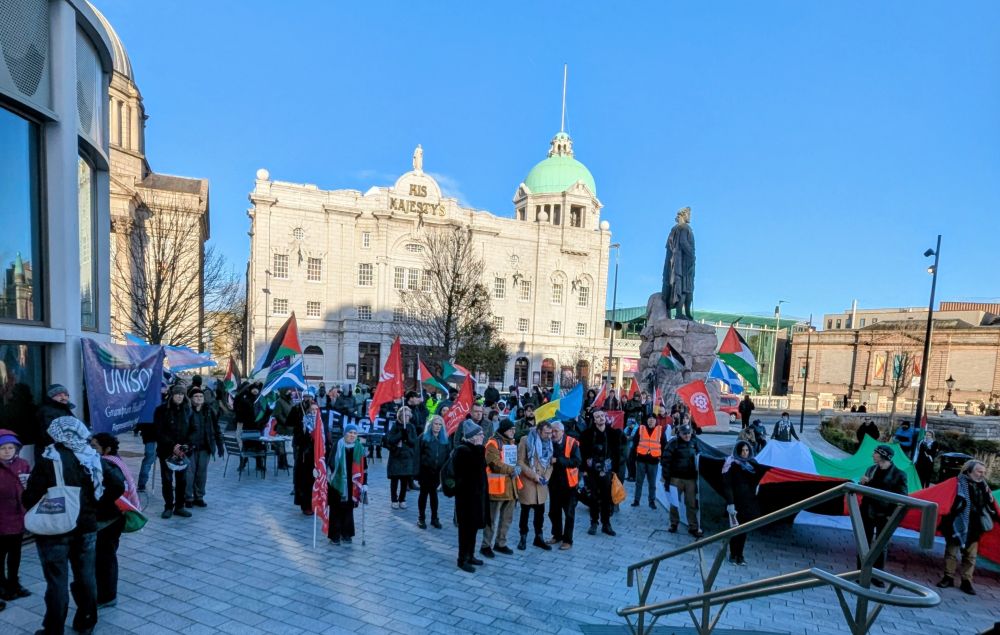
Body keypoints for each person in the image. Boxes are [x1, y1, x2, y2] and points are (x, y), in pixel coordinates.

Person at [23, 417, 123, 635]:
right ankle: (86, 622)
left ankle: (53, 628)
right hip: (86, 526)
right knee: (86, 576)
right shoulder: (92, 456)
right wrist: (96, 504)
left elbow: (31, 496)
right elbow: (117, 484)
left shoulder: (49, 458)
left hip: (54, 528)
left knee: (57, 580)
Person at [936, 460, 1000, 595]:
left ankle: (966, 581)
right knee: (951, 552)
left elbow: (990, 505)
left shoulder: (984, 486)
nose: (982, 474)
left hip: (975, 525)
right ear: (969, 471)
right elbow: (942, 496)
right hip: (955, 523)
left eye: (983, 472)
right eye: (979, 471)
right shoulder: (956, 483)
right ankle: (948, 577)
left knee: (971, 556)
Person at [89, 433, 131, 608]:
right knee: (107, 557)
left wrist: (99, 502)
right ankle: (106, 594)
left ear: (106, 449)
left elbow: (117, 488)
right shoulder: (114, 460)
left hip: (109, 518)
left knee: (105, 558)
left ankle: (107, 596)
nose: (90, 449)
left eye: (94, 447)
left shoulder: (107, 464)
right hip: (114, 517)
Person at [858, 444, 908, 586]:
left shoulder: (899, 474)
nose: (872, 455)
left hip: (885, 514)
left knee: (881, 545)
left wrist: (891, 515)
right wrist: (862, 483)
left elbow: (902, 496)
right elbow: (862, 488)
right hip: (867, 511)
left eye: (875, 453)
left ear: (883, 455)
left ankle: (877, 575)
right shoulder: (871, 469)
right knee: (863, 543)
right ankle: (860, 572)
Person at [0, 429, 31, 604]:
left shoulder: (23, 464)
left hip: (18, 517)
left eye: (10, 447)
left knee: (15, 554)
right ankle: (2, 584)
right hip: (1, 518)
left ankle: (13, 582)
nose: (7, 451)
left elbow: (29, 485)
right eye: (3, 448)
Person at [480, 419, 519, 558]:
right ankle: (485, 545)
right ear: (503, 430)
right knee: (491, 519)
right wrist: (512, 469)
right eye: (510, 429)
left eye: (514, 429)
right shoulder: (492, 443)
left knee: (506, 519)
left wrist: (515, 468)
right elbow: (494, 464)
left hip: (510, 487)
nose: (513, 431)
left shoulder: (511, 442)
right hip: (496, 488)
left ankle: (500, 543)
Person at [154, 385, 194, 519]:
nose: (179, 396)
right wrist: (172, 445)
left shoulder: (188, 410)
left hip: (183, 451)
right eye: (177, 394)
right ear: (172, 395)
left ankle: (180, 506)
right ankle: (168, 507)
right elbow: (158, 431)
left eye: (182, 394)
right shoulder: (161, 410)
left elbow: (193, 430)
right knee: (167, 480)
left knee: (182, 480)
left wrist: (186, 445)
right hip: (166, 451)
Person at [580, 410, 621, 537]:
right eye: (597, 416)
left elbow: (618, 452)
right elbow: (582, 453)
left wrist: (615, 469)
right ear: (594, 419)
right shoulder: (587, 434)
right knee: (593, 497)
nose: (601, 418)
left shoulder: (613, 433)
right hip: (592, 471)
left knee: (606, 498)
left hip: (607, 471)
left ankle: (606, 524)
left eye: (602, 416)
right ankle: (594, 523)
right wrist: (585, 470)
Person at [453, 421, 487, 572]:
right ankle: (462, 559)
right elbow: (475, 469)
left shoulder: (475, 449)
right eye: (480, 434)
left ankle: (471, 555)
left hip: (476, 496)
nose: (483, 436)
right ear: (472, 437)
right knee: (465, 529)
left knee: (473, 527)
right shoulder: (463, 450)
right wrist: (480, 448)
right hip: (466, 497)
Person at [722, 441, 762, 565]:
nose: (745, 453)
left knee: (743, 531)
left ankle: (740, 555)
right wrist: (730, 503)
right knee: (735, 530)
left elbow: (758, 478)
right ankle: (733, 554)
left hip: (747, 503)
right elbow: (727, 485)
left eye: (747, 450)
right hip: (735, 503)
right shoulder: (731, 464)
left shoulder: (753, 464)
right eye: (742, 451)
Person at [326, 423, 366, 545]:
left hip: (352, 484)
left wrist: (364, 483)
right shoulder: (338, 445)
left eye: (355, 433)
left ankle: (346, 533)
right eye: (350, 432)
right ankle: (335, 535)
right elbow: (331, 463)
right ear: (345, 433)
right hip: (337, 483)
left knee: (348, 508)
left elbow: (364, 468)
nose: (352, 435)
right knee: (336, 508)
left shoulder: (359, 448)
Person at [516, 421, 554, 551]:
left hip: (542, 483)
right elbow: (520, 462)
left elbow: (550, 463)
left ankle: (539, 537)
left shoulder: (549, 442)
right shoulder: (526, 440)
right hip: (529, 482)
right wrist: (533, 475)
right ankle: (523, 537)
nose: (549, 435)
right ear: (539, 431)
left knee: (540, 512)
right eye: (546, 433)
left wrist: (547, 477)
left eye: (550, 433)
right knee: (525, 511)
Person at [661, 424, 702, 536]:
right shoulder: (673, 443)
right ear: (680, 433)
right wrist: (666, 477)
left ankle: (693, 526)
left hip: (690, 479)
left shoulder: (694, 443)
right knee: (674, 503)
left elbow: (700, 456)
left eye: (689, 433)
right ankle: (674, 523)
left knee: (691, 504)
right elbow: (665, 460)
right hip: (676, 478)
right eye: (685, 433)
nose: (687, 435)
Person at [185, 388, 223, 508]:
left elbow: (216, 428)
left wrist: (219, 444)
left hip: (205, 447)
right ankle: (188, 497)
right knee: (189, 474)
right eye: (196, 396)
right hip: (190, 448)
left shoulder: (209, 411)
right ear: (191, 398)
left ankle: (199, 496)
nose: (199, 398)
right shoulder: (187, 411)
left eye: (200, 396)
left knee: (201, 473)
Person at [547, 422, 581, 550]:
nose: (553, 434)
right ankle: (557, 535)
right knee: (553, 512)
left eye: (555, 431)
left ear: (562, 431)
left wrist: (559, 460)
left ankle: (568, 540)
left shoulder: (572, 443)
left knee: (569, 513)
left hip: (569, 484)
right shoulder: (549, 442)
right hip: (554, 483)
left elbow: (577, 461)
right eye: (552, 431)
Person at [416, 416, 449, 530]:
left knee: (434, 496)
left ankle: (435, 518)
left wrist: (444, 475)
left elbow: (447, 458)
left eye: (440, 424)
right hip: (425, 472)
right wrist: (417, 473)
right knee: (424, 494)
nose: (438, 426)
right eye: (436, 424)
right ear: (431, 425)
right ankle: (421, 518)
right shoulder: (423, 438)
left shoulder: (444, 439)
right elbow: (417, 456)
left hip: (437, 473)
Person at [291, 397, 321, 515]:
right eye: (312, 410)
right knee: (306, 482)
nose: (314, 412)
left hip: (318, 457)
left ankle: (317, 503)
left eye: (316, 410)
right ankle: (306, 505)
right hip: (305, 457)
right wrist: (306, 433)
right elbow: (298, 439)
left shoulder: (321, 423)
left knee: (317, 481)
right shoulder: (303, 422)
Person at [385, 406, 417, 509]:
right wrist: (400, 434)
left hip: (407, 457)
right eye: (404, 415)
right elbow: (390, 440)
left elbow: (414, 442)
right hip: (396, 456)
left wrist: (407, 437)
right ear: (400, 415)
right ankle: (394, 499)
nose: (406, 417)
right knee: (395, 480)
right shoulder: (395, 426)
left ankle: (402, 499)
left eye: (408, 415)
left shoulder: (411, 427)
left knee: (404, 480)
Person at [632, 415, 665, 509]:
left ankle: (651, 501)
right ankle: (636, 500)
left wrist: (662, 459)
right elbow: (635, 444)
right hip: (641, 460)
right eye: (649, 419)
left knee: (652, 483)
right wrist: (633, 458)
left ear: (656, 421)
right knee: (639, 482)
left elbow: (664, 445)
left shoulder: (660, 430)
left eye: (653, 419)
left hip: (653, 461)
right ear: (646, 420)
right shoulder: (641, 429)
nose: (651, 421)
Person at [35, 384, 78, 450]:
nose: (64, 397)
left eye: (66, 395)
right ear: (51, 397)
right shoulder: (47, 411)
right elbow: (50, 433)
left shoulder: (64, 409)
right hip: (51, 451)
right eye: (59, 395)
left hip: (62, 449)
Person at [622, 418, 639, 482]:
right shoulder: (627, 428)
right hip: (628, 447)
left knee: (631, 461)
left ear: (634, 424)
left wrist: (626, 437)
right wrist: (626, 437)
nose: (629, 425)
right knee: (627, 461)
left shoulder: (637, 428)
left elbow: (632, 437)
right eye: (628, 424)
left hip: (634, 447)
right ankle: (629, 475)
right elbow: (623, 435)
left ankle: (633, 476)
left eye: (630, 424)